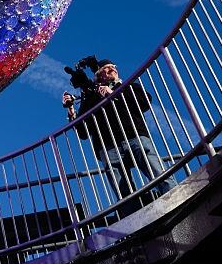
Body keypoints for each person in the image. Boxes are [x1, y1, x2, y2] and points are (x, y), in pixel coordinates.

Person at [63, 60, 177, 217]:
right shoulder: (91, 97)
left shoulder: (127, 85)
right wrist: (70, 109)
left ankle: (176, 198)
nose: (112, 69)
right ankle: (135, 220)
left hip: (134, 135)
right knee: (123, 190)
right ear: (98, 75)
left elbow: (144, 102)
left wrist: (114, 92)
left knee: (156, 170)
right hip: (107, 145)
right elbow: (83, 132)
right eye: (107, 68)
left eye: (114, 67)